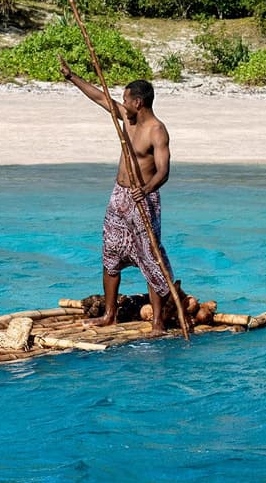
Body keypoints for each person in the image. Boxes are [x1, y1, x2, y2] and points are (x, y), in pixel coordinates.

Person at [59, 61, 195, 330]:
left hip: (144, 199)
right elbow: (100, 97)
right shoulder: (127, 117)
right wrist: (72, 76)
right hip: (119, 197)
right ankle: (109, 314)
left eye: (126, 100)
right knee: (111, 253)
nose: (123, 104)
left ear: (139, 102)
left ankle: (157, 322)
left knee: (150, 258)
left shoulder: (156, 130)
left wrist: (144, 190)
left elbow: (164, 172)